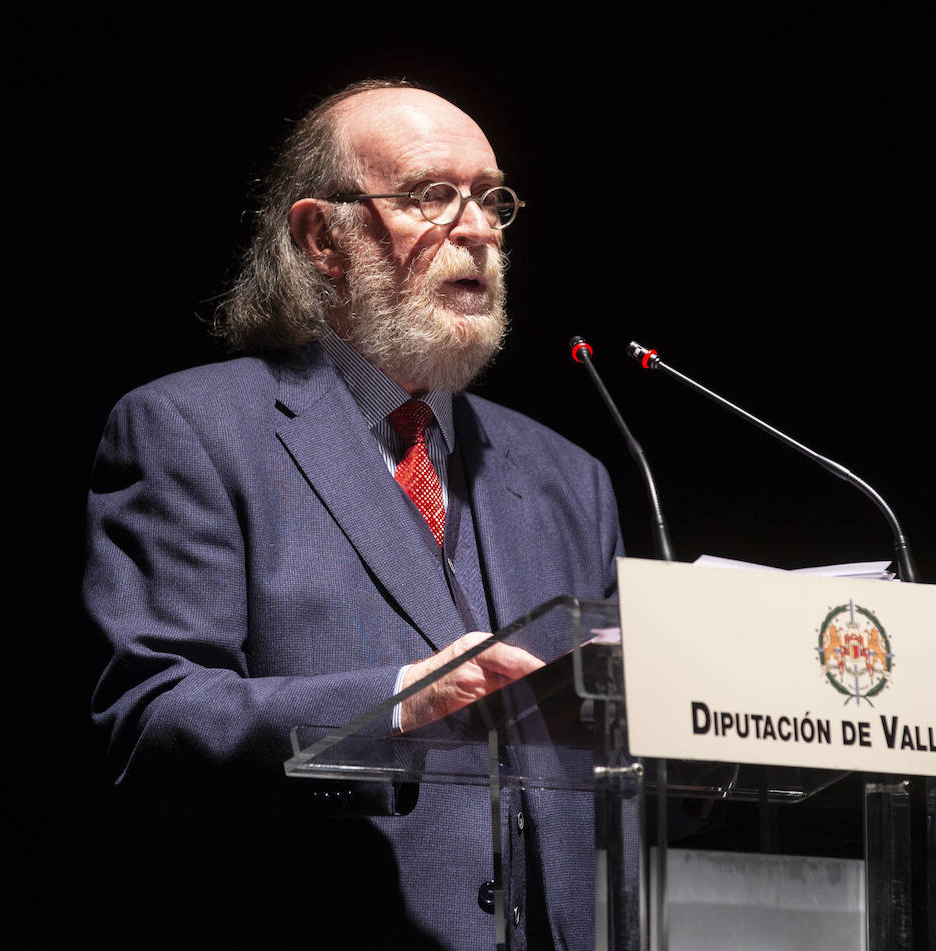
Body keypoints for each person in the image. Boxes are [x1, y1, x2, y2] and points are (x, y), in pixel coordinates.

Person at [84, 79, 623, 949]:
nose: (480, 229)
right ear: (320, 237)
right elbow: (156, 723)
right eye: (431, 196)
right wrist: (395, 705)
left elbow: (638, 779)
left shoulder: (572, 477)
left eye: (492, 199)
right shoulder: (194, 431)